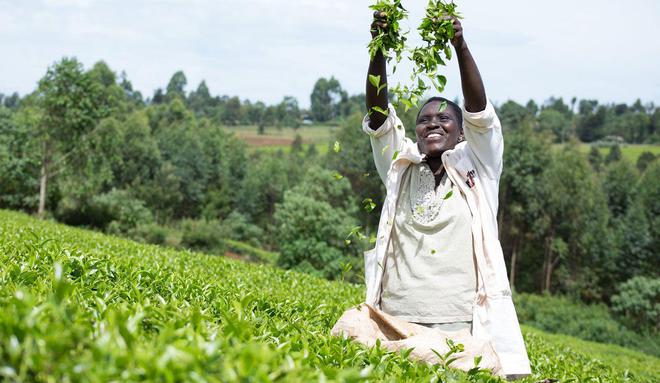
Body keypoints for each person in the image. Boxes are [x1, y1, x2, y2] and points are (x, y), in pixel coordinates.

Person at [362, 11, 531, 378]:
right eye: (424, 119)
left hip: (458, 324)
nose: (432, 123)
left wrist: (460, 45)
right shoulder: (400, 166)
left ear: (462, 134)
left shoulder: (477, 169)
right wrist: (380, 47)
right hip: (396, 317)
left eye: (444, 119)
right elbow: (378, 118)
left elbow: (480, 113)